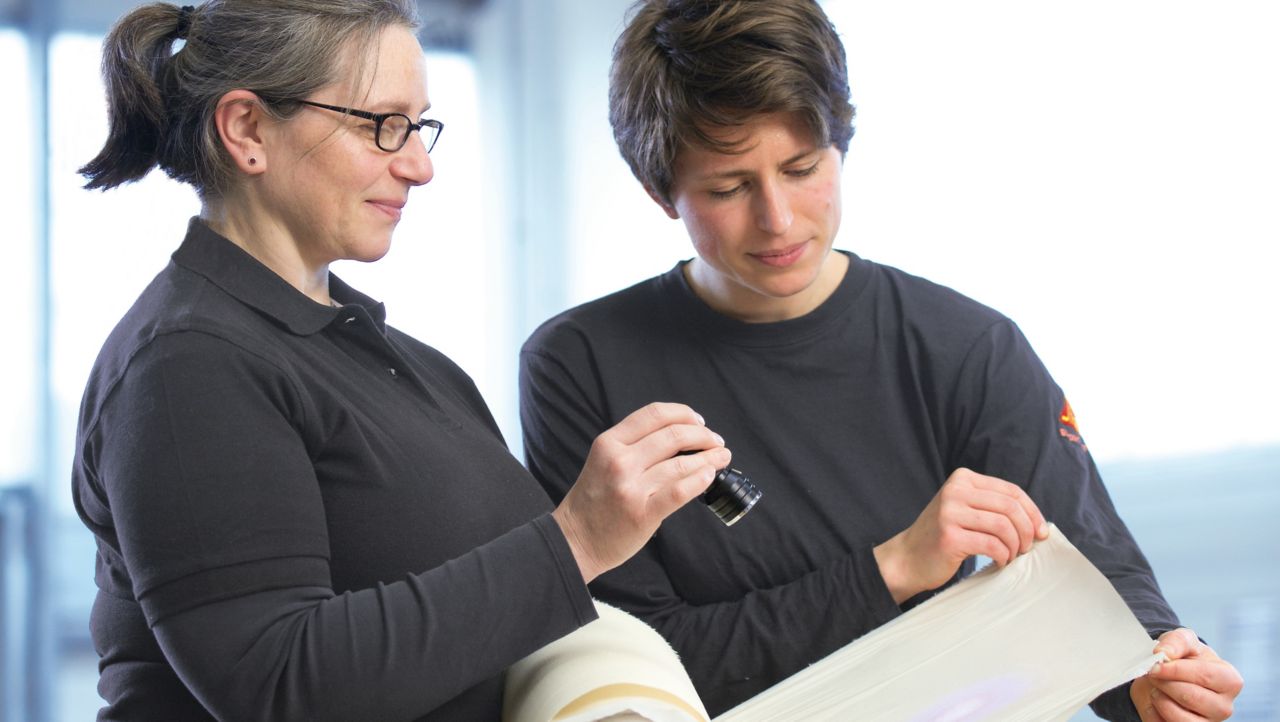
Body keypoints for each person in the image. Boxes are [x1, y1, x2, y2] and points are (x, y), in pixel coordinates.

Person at [518, 1, 1244, 720]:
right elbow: (630, 660)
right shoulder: (581, 366)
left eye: (802, 168)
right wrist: (893, 568)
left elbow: (1097, 570)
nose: (778, 219)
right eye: (728, 188)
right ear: (659, 192)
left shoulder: (966, 347)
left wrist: (1156, 673)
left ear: (842, 145)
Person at [71, 1, 731, 720]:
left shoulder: (406, 364)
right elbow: (276, 684)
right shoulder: (186, 365)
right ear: (248, 129)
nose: (420, 166)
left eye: (420, 127)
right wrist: (575, 541)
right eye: (382, 124)